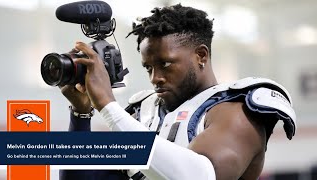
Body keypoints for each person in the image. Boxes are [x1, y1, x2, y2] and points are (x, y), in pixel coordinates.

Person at [59, 4, 296, 180]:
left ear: (201, 55)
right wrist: (80, 115)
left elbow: (200, 176)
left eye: (166, 64)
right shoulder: (142, 113)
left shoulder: (236, 111)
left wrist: (108, 106)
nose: (155, 78)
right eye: (148, 67)